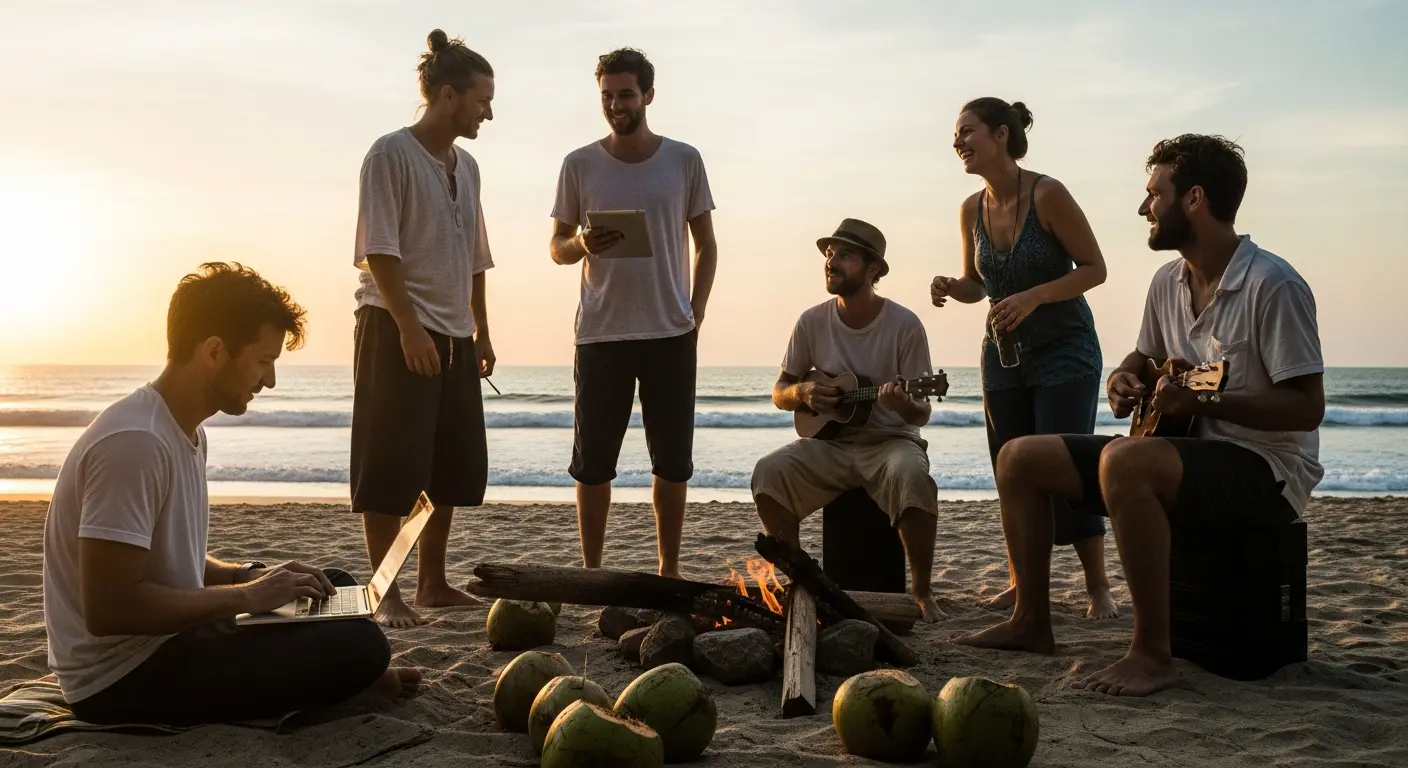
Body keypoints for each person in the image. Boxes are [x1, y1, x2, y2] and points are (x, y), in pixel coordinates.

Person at [958, 134, 1325, 697]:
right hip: (1178, 453)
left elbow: (1307, 407)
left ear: (1195, 199)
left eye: (1154, 194)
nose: (1143, 207)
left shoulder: (1272, 284)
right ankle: (1032, 622)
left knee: (1126, 462)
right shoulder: (1167, 282)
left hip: (1265, 469)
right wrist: (1122, 379)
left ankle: (1152, 653)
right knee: (1019, 457)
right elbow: (1143, 358)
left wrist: (1203, 401)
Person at [40, 263, 421, 727]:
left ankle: (343, 671)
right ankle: (352, 681)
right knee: (361, 645)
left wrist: (248, 574)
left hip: (168, 642)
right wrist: (249, 596)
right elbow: (111, 608)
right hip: (121, 679)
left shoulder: (183, 431)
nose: (271, 380)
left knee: (332, 584)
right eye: (263, 361)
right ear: (214, 351)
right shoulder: (134, 444)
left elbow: (170, 562)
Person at [930, 97, 1117, 620]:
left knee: (1066, 466)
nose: (958, 143)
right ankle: (1023, 584)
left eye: (967, 131)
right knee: (1009, 471)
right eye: (955, 136)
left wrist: (1035, 296)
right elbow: (977, 285)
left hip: (1065, 349)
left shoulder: (1048, 194)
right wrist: (952, 285)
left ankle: (1098, 586)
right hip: (1003, 357)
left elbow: (1095, 268)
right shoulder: (970, 209)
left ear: (1002, 135)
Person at [548, 47, 719, 578]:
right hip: (600, 334)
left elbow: (707, 245)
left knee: (672, 462)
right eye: (606, 96)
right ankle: (593, 573)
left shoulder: (684, 159)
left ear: (648, 94)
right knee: (594, 463)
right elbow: (555, 246)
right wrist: (581, 242)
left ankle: (668, 571)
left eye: (625, 94)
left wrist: (697, 311)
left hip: (671, 332)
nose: (615, 104)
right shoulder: (578, 164)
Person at [350, 29, 497, 627]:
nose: (489, 110)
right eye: (481, 99)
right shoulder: (390, 155)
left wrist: (480, 330)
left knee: (446, 466)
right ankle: (385, 591)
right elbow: (379, 251)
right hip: (394, 324)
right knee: (391, 466)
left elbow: (476, 257)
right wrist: (410, 328)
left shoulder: (469, 166)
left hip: (456, 334)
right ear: (446, 96)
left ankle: (431, 582)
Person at [751, 219, 944, 621]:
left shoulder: (904, 325)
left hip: (890, 443)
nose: (831, 262)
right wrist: (802, 392)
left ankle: (922, 592)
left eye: (845, 255)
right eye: (829, 254)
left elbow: (921, 412)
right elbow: (780, 390)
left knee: (913, 476)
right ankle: (800, 581)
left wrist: (901, 402)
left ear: (874, 270)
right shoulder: (811, 321)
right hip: (829, 445)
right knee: (768, 473)